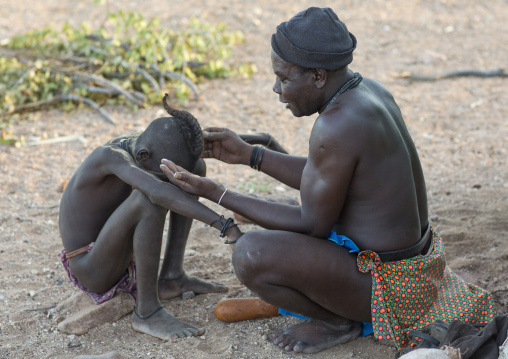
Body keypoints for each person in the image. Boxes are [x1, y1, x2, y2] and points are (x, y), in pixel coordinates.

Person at [160, 7, 497, 354]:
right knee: (279, 223)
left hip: (391, 288)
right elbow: (329, 172)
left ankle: (337, 321)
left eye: (284, 78)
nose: (277, 89)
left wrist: (217, 193)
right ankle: (338, 306)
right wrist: (250, 155)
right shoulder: (367, 91)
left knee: (251, 253)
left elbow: (311, 225)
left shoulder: (336, 124)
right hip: (417, 267)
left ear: (318, 76)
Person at [58, 94, 242, 341]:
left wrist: (253, 146)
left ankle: (172, 277)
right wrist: (224, 225)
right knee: (148, 199)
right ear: (143, 155)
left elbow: (178, 163)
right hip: (92, 267)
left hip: (115, 253)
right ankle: (146, 312)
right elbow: (156, 191)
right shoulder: (109, 156)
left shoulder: (142, 146)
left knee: (193, 170)